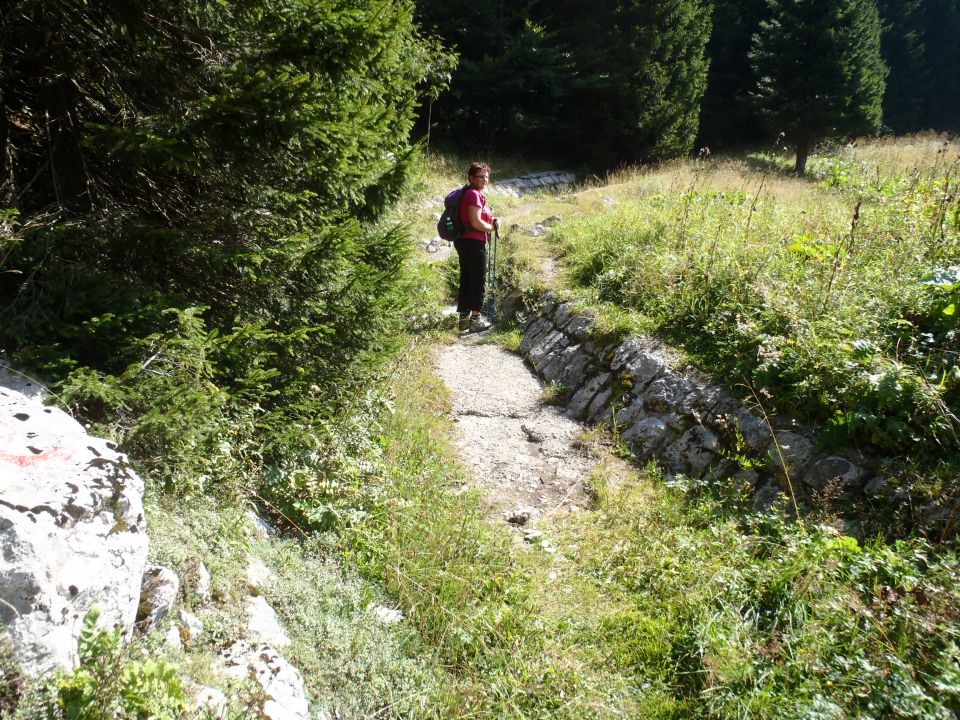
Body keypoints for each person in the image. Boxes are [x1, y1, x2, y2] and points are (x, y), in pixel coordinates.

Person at [455, 161, 500, 333]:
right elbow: (475, 222)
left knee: (467, 277)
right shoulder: (474, 194)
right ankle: (475, 319)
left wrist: (490, 220)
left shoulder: (468, 193)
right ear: (471, 177)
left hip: (463, 241)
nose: (484, 179)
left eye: (486, 176)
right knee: (478, 279)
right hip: (473, 241)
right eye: (480, 176)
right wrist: (492, 227)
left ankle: (464, 319)